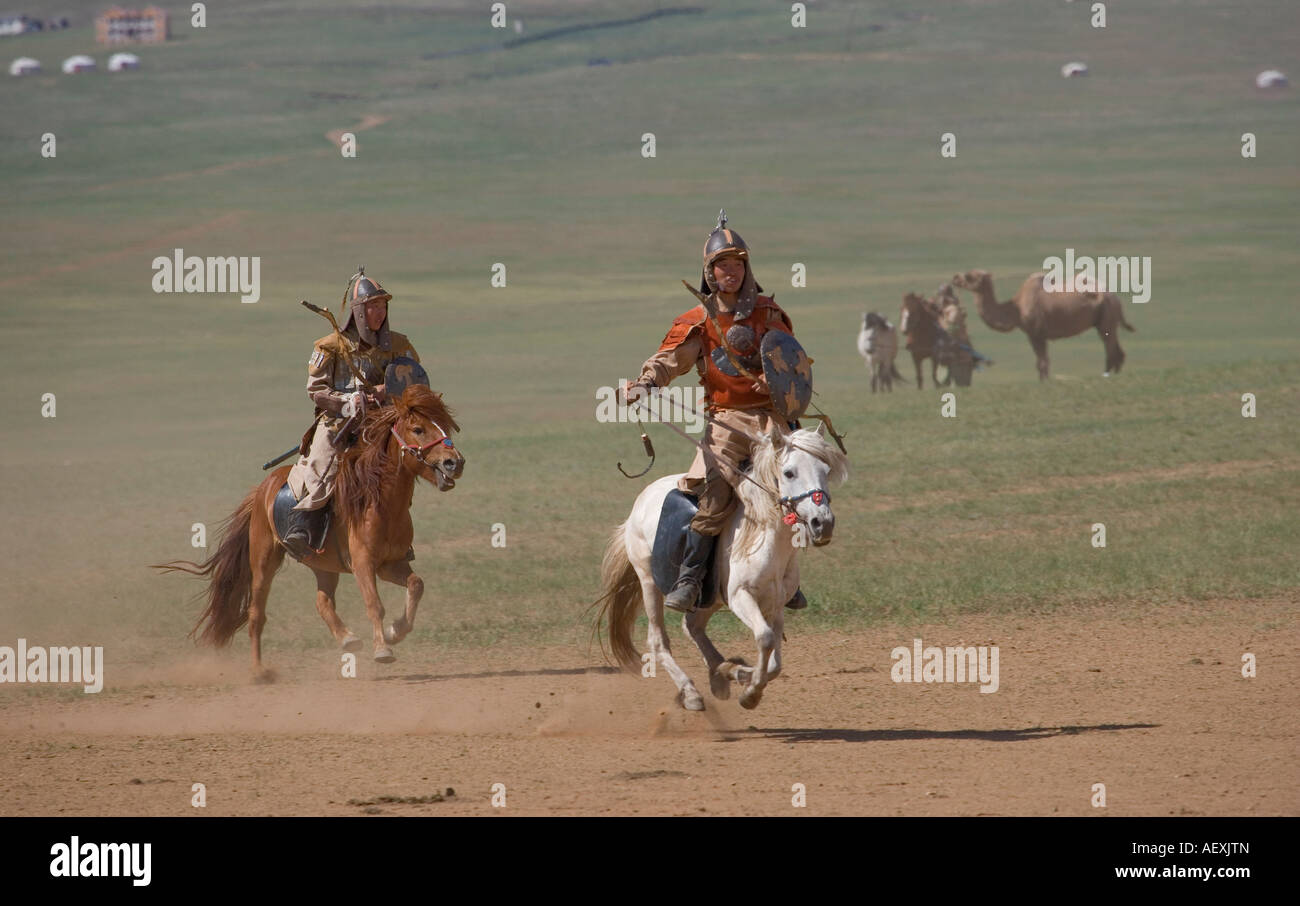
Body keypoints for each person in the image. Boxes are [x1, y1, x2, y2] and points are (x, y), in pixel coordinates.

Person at [621, 212, 807, 613]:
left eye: (737, 264)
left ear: (746, 268)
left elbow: (795, 364)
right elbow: (672, 360)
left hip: (771, 419)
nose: (731, 272)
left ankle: (788, 576)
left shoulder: (769, 314)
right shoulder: (699, 322)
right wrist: (647, 382)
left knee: (800, 484)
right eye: (722, 265)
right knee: (715, 495)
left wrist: (773, 382)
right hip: (725, 422)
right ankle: (690, 576)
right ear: (709, 271)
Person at [282, 268, 420, 558]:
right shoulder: (330, 346)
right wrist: (348, 401)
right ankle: (304, 524)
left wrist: (385, 391)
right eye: (372, 306)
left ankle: (396, 534)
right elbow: (316, 391)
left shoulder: (400, 345)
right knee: (323, 461)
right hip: (338, 422)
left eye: (383, 306)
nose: (379, 312)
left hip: (383, 420)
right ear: (358, 311)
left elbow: (415, 381)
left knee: (409, 458)